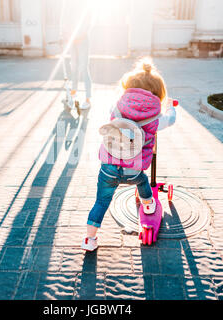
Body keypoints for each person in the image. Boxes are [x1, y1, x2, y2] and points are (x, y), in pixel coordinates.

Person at [81, 57, 177, 251]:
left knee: (101, 202)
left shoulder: (117, 107)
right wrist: (172, 108)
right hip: (133, 168)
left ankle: (89, 240)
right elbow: (170, 120)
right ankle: (149, 205)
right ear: (157, 91)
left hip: (108, 167)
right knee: (142, 182)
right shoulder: (156, 115)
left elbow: (111, 117)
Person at [59, 0, 94, 110]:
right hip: (71, 39)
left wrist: (81, 35)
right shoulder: (67, 4)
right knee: (73, 66)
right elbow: (63, 20)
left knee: (83, 68)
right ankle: (73, 92)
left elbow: (89, 20)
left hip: (82, 40)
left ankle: (88, 98)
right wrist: (63, 35)